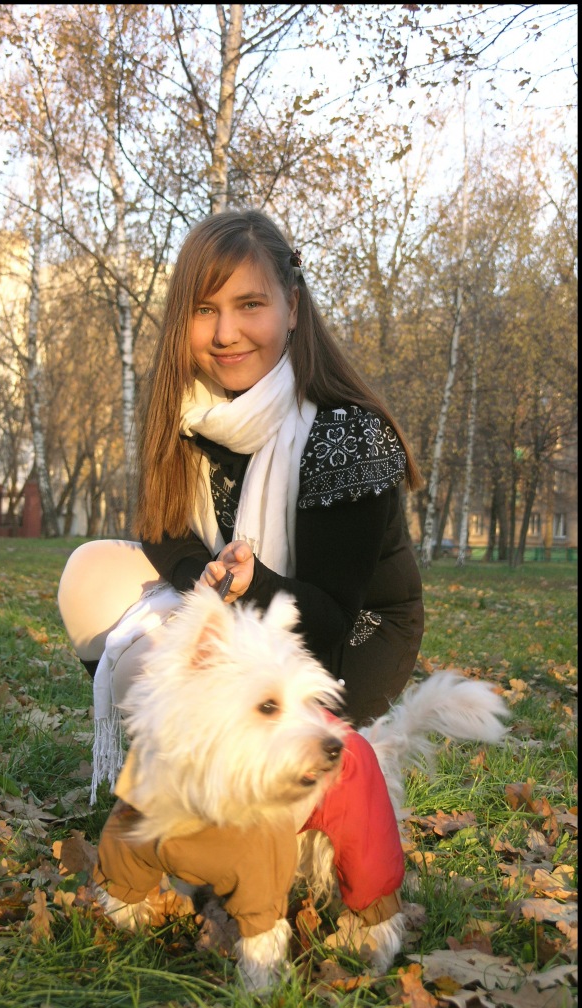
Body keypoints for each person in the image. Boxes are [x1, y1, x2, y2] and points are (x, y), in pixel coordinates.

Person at [57, 208, 424, 934]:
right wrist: (209, 577)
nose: (226, 332)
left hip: (346, 641)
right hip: (244, 604)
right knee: (92, 575)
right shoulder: (190, 412)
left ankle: (262, 830)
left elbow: (329, 620)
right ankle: (197, 807)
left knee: (228, 676)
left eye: (249, 304)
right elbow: (161, 527)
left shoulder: (346, 433)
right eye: (205, 310)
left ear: (293, 307)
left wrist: (251, 584)